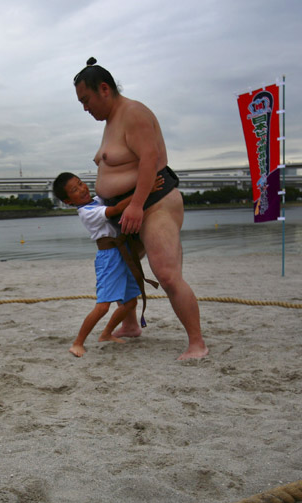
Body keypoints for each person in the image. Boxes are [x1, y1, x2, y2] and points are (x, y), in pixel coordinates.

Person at [72, 57, 208, 359]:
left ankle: (197, 343)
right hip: (126, 209)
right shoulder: (112, 121)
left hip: (152, 203)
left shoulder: (133, 113)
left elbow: (150, 158)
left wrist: (135, 205)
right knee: (126, 269)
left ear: (104, 89)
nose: (85, 108)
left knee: (167, 274)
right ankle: (131, 324)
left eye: (86, 100)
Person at [54, 172, 162, 357]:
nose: (82, 189)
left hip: (123, 253)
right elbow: (116, 209)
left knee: (130, 302)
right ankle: (77, 343)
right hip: (109, 258)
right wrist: (145, 191)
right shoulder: (87, 213)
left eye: (80, 183)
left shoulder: (97, 200)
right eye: (74, 189)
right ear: (68, 201)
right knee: (103, 306)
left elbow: (115, 197)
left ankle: (106, 333)